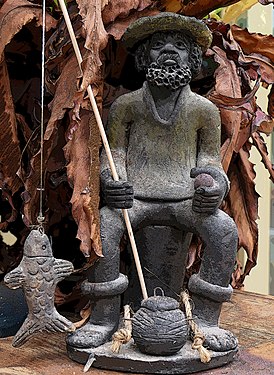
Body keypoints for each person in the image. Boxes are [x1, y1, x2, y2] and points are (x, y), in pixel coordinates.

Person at [67, 12, 238, 352]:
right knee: (106, 228)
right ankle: (104, 318)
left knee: (224, 231)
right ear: (144, 58)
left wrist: (213, 183)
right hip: (135, 202)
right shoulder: (126, 108)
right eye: (158, 46)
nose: (169, 52)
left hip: (185, 202)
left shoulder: (204, 111)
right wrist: (112, 181)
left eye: (179, 47)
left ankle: (205, 320)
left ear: (193, 58)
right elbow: (113, 155)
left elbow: (209, 160)